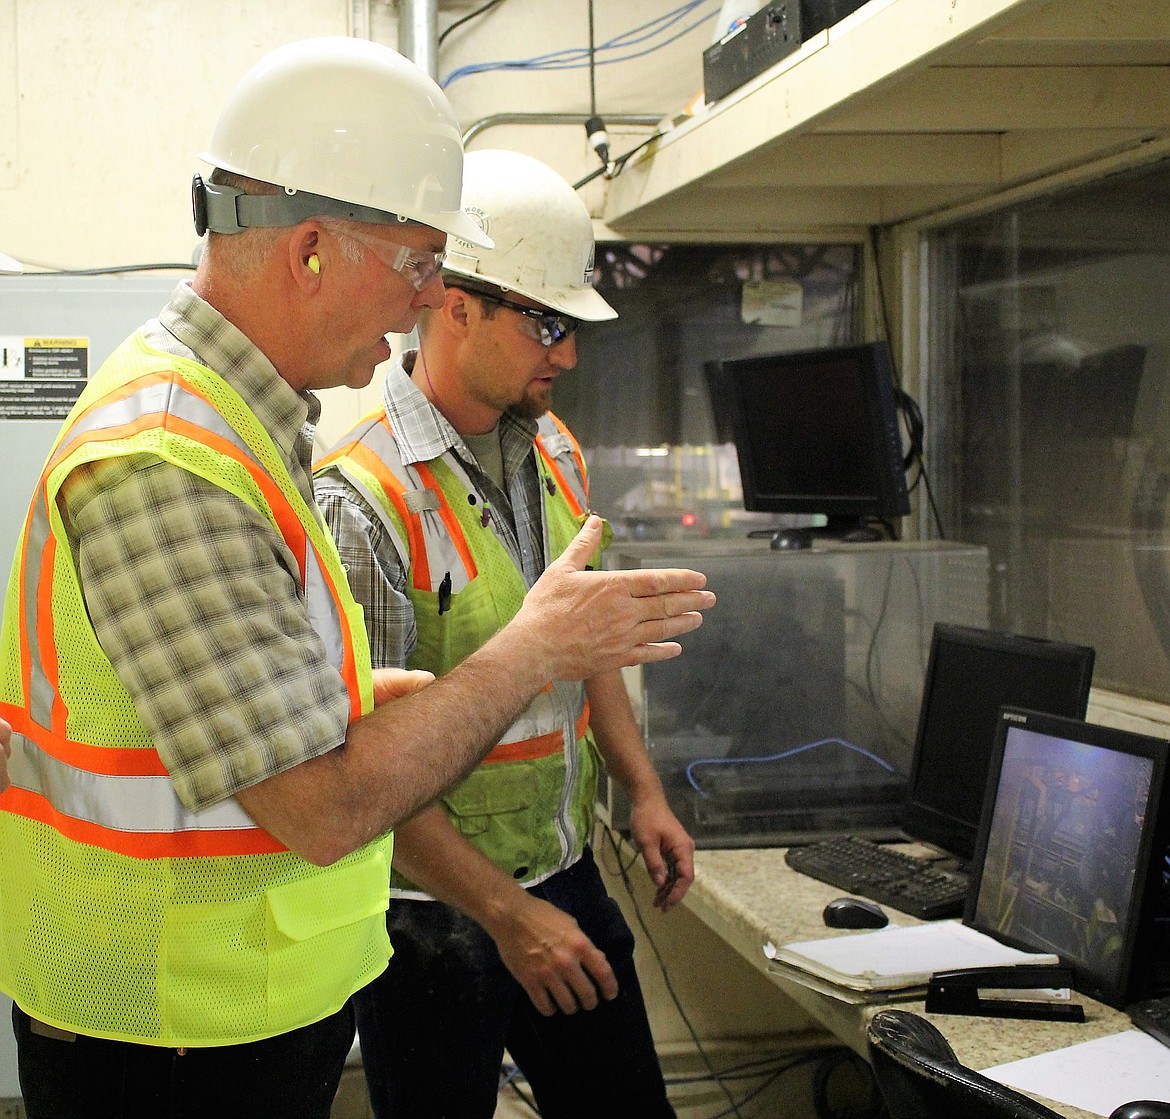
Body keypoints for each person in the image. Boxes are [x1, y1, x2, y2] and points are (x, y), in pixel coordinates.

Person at [0, 42, 714, 1119]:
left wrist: (365, 701)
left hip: (234, 1007)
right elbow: (322, 807)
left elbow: (242, 721)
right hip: (169, 1030)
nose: (427, 297)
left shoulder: (247, 422)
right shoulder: (168, 459)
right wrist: (532, 649)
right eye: (421, 262)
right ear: (314, 250)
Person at [315, 149, 693, 1119]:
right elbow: (365, 771)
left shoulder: (555, 447)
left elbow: (585, 641)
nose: (566, 354)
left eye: (572, 326)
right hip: (433, 922)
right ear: (455, 306)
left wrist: (642, 792)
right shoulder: (362, 500)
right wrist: (503, 914)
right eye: (546, 324)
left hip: (563, 876)